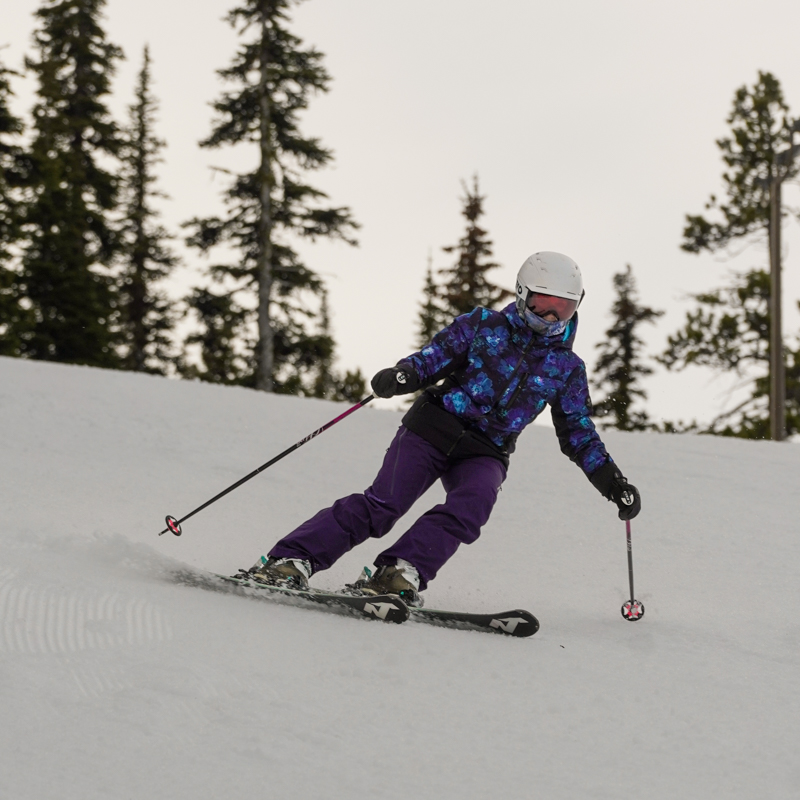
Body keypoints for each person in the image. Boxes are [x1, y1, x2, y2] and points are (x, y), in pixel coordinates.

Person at [240, 252, 641, 607]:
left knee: (472, 504)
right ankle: (291, 560)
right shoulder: (483, 325)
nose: (552, 317)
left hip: (486, 450)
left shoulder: (567, 368)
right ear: (522, 295)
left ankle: (400, 571)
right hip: (434, 428)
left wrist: (612, 481)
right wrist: (402, 376)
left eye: (564, 307)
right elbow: (435, 357)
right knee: (384, 505)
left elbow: (577, 432)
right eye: (543, 304)